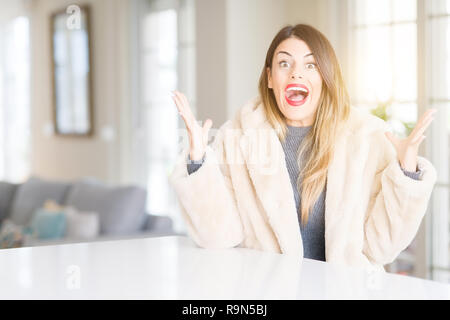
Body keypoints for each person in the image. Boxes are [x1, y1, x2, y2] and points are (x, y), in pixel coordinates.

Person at [168, 24, 437, 272]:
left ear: (325, 77)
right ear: (270, 78)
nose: (296, 72)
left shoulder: (367, 138)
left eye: (311, 65)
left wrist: (407, 171)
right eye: (285, 63)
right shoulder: (237, 137)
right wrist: (198, 160)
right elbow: (218, 237)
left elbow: (382, 248)